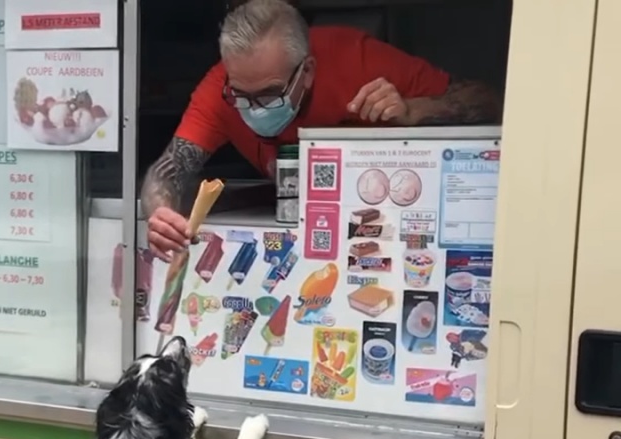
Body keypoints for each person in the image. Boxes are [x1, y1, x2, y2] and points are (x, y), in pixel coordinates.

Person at [141, 0, 501, 262]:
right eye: (240, 95)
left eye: (269, 93)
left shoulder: (358, 60)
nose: (253, 107)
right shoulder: (218, 89)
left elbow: (491, 102)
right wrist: (160, 214)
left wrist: (412, 110)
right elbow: (168, 169)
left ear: (308, 70)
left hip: (389, 240)